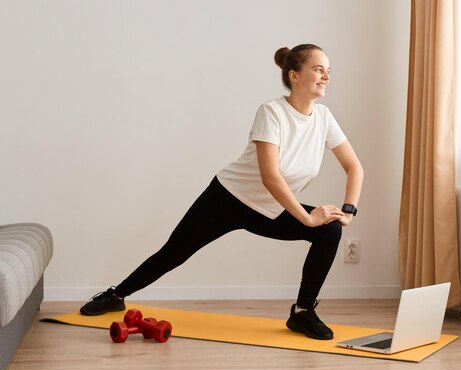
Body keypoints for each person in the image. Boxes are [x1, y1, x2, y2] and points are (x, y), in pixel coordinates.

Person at [80, 44, 364, 340]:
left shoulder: (324, 118)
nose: (327, 77)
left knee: (329, 231)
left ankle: (303, 313)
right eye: (319, 69)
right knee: (174, 252)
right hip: (228, 198)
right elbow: (271, 177)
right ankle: (116, 295)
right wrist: (307, 218)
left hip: (272, 208)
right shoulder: (272, 112)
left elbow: (354, 166)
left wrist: (348, 211)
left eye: (328, 71)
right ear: (294, 75)